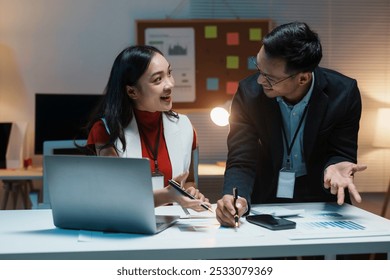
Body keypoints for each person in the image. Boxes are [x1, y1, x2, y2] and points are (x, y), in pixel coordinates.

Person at [216, 21, 367, 227]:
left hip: (320, 197)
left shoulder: (343, 93)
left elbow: (341, 151)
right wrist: (236, 197)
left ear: (303, 78)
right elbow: (242, 158)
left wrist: (334, 165)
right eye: (258, 67)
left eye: (269, 77)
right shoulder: (248, 93)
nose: (260, 81)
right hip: (268, 194)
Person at [84, 45, 210, 211]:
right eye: (158, 79)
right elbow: (114, 197)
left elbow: (188, 182)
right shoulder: (105, 131)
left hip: (174, 229)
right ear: (132, 91)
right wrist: (169, 196)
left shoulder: (185, 126)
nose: (170, 84)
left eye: (169, 73)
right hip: (128, 229)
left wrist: (191, 194)